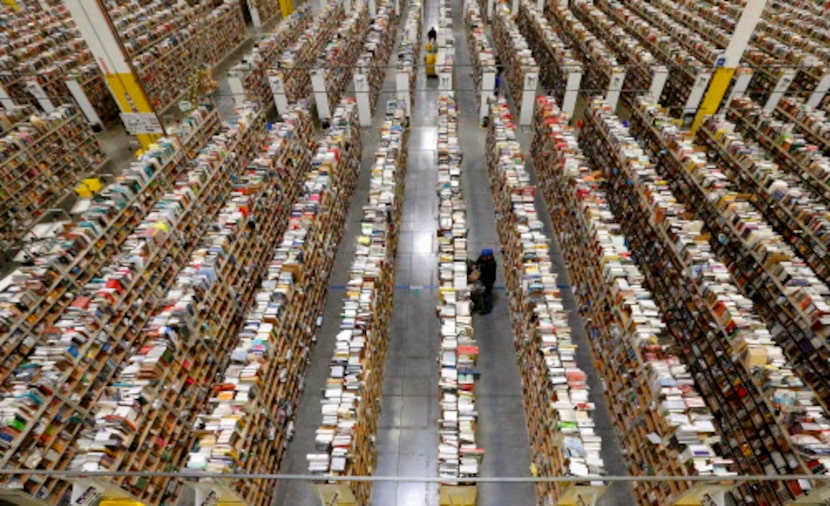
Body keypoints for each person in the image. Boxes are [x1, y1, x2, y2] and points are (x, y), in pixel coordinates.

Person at [475, 248, 497, 314]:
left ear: (489, 257)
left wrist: (478, 278)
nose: (482, 258)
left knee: (487, 295)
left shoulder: (492, 264)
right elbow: (478, 262)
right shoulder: (482, 258)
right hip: (483, 276)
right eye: (482, 256)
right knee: (482, 293)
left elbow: (489, 276)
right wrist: (475, 267)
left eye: (484, 257)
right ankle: (480, 305)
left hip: (489, 281)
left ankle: (487, 309)